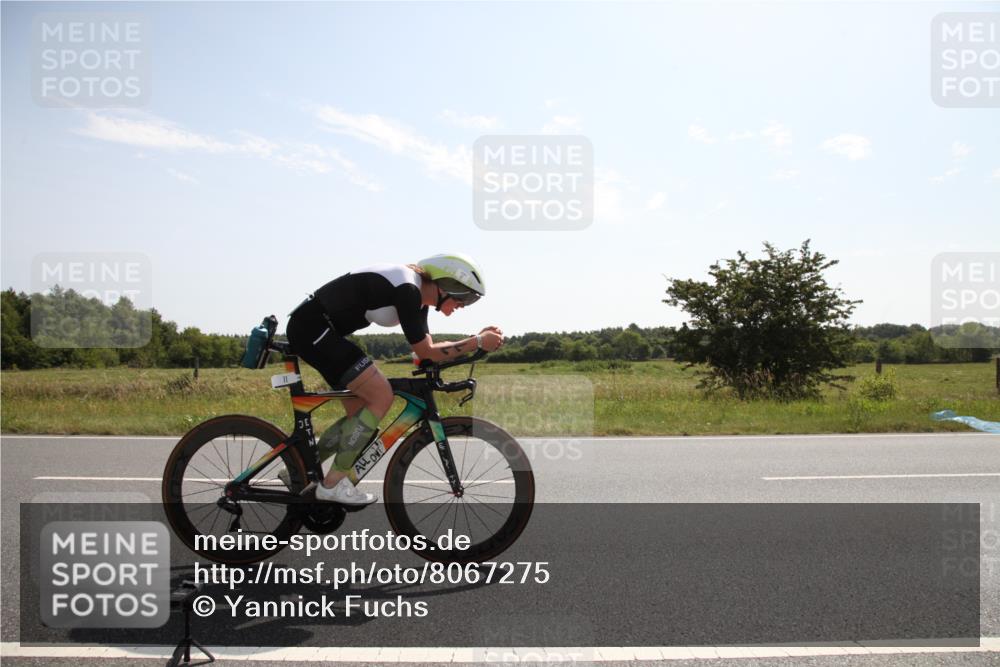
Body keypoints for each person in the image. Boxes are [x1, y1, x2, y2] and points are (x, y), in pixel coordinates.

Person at [283, 253, 504, 505]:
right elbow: (425, 352)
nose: (463, 306)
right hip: (313, 329)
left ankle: (296, 471)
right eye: (465, 299)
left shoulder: (418, 298)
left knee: (359, 414)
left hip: (319, 332)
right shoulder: (408, 290)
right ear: (447, 285)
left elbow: (423, 353)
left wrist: (476, 345)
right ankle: (332, 485)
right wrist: (476, 341)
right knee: (381, 396)